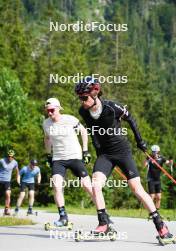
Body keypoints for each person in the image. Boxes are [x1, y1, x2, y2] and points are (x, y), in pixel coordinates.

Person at [75, 77, 173, 241]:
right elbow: (92, 129)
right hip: (105, 155)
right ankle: (104, 223)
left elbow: (131, 119)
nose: (82, 101)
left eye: (84, 97)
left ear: (95, 93)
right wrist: (96, 146)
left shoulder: (112, 107)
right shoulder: (83, 111)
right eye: (80, 98)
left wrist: (140, 141)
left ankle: (161, 225)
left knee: (136, 188)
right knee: (96, 184)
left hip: (122, 152)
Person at [43, 97, 94, 227]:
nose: (49, 113)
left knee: (87, 185)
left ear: (58, 108)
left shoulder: (70, 119)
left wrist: (86, 151)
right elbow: (47, 138)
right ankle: (63, 217)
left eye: (52, 110)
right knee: (56, 185)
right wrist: (48, 154)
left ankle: (103, 214)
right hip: (58, 159)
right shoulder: (46, 123)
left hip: (74, 156)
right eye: (47, 111)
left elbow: (83, 132)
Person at [145, 145, 173, 210]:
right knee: (152, 196)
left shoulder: (161, 158)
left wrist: (170, 162)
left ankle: (157, 211)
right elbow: (144, 165)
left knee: (159, 197)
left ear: (158, 152)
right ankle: (151, 211)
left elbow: (168, 163)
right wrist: (148, 160)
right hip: (151, 179)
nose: (154, 153)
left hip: (158, 180)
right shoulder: (149, 157)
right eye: (153, 152)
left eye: (156, 152)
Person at [0, 150, 20, 215]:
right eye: (9, 156)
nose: (10, 158)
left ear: (14, 157)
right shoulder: (2, 160)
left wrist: (17, 178)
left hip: (7, 181)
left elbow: (17, 171)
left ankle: (6, 209)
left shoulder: (15, 163)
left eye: (12, 156)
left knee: (8, 194)